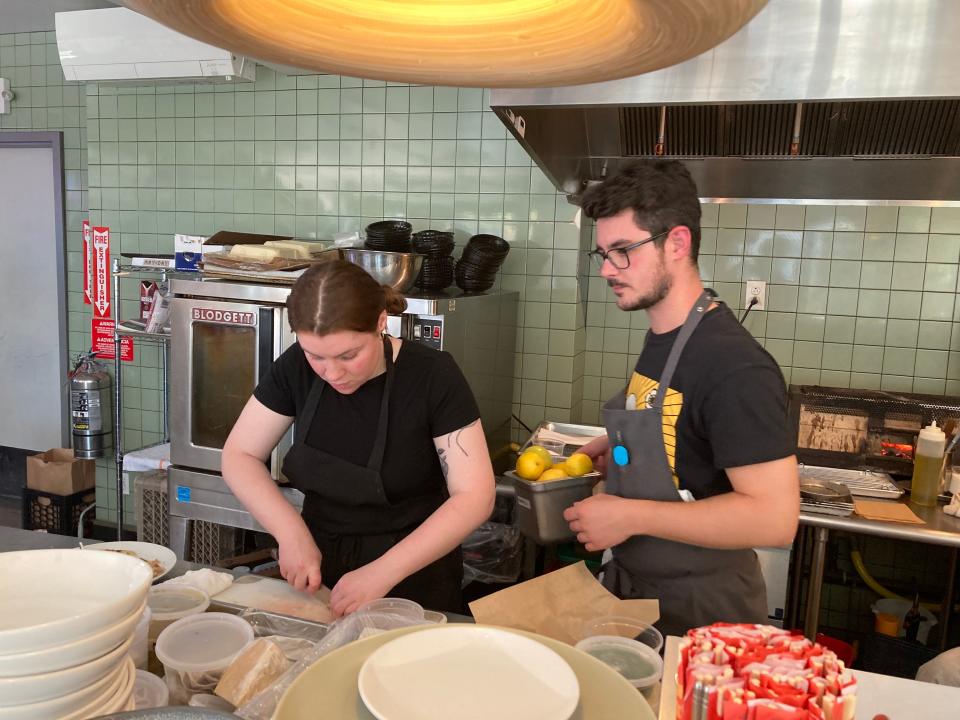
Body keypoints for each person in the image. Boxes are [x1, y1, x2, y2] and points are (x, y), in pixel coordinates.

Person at [563, 159, 800, 637]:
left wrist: (629, 513)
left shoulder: (735, 364)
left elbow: (774, 518)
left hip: (704, 613)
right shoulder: (666, 337)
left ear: (676, 242)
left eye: (623, 250)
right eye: (603, 253)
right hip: (639, 593)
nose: (608, 269)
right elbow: (682, 442)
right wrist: (623, 459)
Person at [222, 260, 495, 616]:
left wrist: (383, 572)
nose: (332, 372)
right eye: (315, 355)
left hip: (413, 573)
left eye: (349, 355)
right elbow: (239, 455)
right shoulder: (295, 368)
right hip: (319, 566)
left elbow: (475, 496)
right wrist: (291, 534)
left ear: (381, 322)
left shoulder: (433, 376)